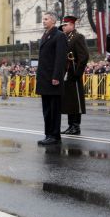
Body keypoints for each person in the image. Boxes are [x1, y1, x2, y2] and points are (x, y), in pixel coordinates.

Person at [36, 12, 67, 146]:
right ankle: (48, 134)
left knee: (54, 109)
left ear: (53, 21)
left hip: (53, 78)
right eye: (43, 19)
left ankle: (55, 135)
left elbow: (60, 58)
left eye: (46, 19)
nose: (43, 21)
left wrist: (56, 76)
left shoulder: (59, 35)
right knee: (47, 109)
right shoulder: (45, 35)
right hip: (44, 78)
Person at [60, 16, 89, 135]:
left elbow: (84, 56)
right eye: (63, 25)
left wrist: (77, 72)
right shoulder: (66, 38)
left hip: (73, 73)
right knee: (69, 101)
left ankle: (76, 126)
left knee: (75, 100)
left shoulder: (78, 37)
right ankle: (71, 125)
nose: (63, 27)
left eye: (65, 25)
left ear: (72, 25)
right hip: (67, 74)